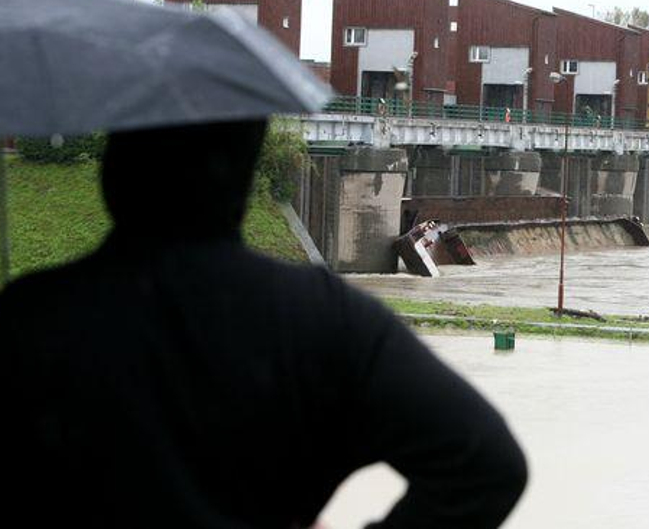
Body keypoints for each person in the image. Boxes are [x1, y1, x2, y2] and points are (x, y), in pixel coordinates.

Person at [0, 121, 527, 528]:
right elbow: (487, 464)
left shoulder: (30, 317)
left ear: (115, 170)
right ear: (244, 175)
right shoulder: (326, 319)